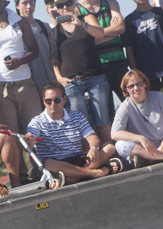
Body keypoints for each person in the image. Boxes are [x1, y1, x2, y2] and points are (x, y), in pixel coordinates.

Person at [0, 0, 43, 167]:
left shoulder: (20, 22)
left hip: (25, 84)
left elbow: (35, 50)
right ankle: (19, 178)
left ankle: (40, 170)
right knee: (9, 136)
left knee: (34, 132)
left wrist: (20, 61)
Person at [26, 81, 121, 184]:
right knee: (48, 163)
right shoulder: (36, 122)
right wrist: (30, 142)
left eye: (57, 100)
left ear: (64, 99)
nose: (52, 104)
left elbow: (93, 138)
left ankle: (74, 178)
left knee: (110, 148)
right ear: (44, 101)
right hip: (56, 164)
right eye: (49, 101)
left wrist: (94, 148)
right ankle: (96, 172)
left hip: (79, 160)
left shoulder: (77, 116)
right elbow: (29, 140)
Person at [49, 0, 113, 143]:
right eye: (60, 5)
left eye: (68, 3)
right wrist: (59, 78)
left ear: (75, 3)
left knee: (102, 121)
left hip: (95, 77)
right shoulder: (55, 31)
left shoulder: (86, 19)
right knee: (81, 125)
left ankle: (110, 154)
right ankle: (90, 158)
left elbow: (100, 33)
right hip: (72, 82)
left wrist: (81, 24)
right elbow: (54, 58)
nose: (65, 7)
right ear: (56, 9)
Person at [111, 69, 163, 166]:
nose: (136, 88)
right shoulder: (125, 106)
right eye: (131, 86)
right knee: (120, 145)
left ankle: (151, 159)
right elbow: (115, 133)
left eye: (139, 84)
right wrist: (141, 138)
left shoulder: (158, 96)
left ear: (145, 84)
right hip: (144, 148)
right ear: (126, 89)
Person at [122, 0, 163, 105]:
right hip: (146, 76)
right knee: (155, 111)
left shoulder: (162, 14)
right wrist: (135, 74)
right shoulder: (129, 20)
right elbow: (129, 49)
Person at [76, 0, 128, 113]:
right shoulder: (77, 9)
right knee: (107, 113)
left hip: (119, 63)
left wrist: (96, 33)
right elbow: (87, 41)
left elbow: (120, 28)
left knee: (133, 105)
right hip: (98, 70)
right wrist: (112, 31)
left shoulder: (110, 3)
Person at [15, 0, 58, 96]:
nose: (29, 6)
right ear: (17, 5)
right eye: (25, 3)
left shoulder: (44, 26)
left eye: (32, 3)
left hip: (52, 83)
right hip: (31, 87)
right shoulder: (14, 31)